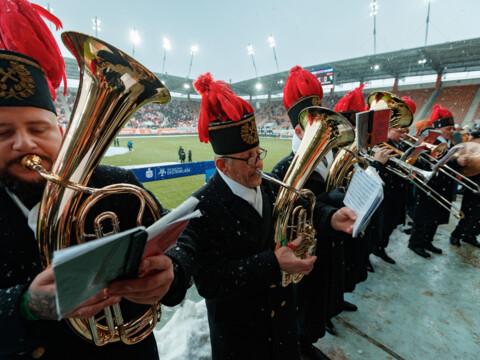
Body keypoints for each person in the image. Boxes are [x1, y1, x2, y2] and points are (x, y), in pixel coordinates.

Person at [0, 2, 174, 358]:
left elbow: (181, 234)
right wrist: (25, 305)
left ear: (61, 132)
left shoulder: (115, 183)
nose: (24, 143)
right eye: (3, 133)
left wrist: (174, 270)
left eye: (38, 129)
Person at [166, 72, 353, 360]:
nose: (260, 163)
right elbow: (210, 281)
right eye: (250, 158)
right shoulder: (202, 206)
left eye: (259, 152)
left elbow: (298, 205)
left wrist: (330, 218)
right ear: (222, 165)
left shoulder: (265, 183)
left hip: (282, 323)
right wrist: (272, 263)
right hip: (241, 338)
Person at [272, 66, 358, 360]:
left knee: (320, 299)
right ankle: (301, 345)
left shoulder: (330, 156)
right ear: (298, 131)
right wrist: (335, 200)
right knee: (303, 306)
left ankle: (310, 337)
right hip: (304, 255)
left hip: (328, 246)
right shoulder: (285, 168)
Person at [408, 104, 469, 258]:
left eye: (452, 128)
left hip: (444, 184)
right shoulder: (431, 140)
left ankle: (427, 241)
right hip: (431, 184)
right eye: (448, 128)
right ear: (440, 128)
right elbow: (432, 162)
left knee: (435, 217)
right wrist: (456, 163)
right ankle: (415, 243)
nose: (452, 131)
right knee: (423, 216)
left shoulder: (450, 143)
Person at [367, 97, 416, 264]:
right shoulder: (379, 145)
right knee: (377, 226)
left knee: (389, 225)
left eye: (405, 132)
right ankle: (369, 254)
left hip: (397, 193)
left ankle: (381, 248)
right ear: (388, 129)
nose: (403, 135)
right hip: (383, 194)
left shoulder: (401, 145)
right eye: (399, 132)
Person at [450, 129, 480, 248]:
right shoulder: (475, 142)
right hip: (475, 183)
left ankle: (471, 235)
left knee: (478, 216)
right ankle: (456, 234)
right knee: (469, 212)